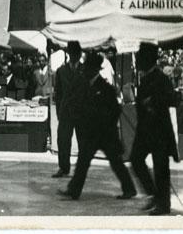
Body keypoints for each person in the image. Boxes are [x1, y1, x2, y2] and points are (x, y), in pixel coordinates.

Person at [58, 52, 136, 201]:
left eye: (88, 69)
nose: (85, 71)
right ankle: (74, 190)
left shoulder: (106, 88)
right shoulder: (85, 85)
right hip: (92, 133)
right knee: (83, 161)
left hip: (106, 134)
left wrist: (106, 123)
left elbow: (115, 110)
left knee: (116, 162)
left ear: (94, 70)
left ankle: (129, 189)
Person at [130, 42, 179, 216]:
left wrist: (153, 102)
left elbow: (173, 99)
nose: (137, 61)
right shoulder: (144, 78)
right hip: (145, 131)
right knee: (136, 159)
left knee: (161, 168)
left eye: (140, 57)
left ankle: (163, 205)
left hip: (159, 131)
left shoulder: (161, 78)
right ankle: (153, 194)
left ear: (147, 60)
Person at [52, 41, 85, 178]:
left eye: (76, 53)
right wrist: (59, 112)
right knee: (63, 140)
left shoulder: (86, 70)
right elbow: (58, 94)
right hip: (65, 112)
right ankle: (63, 167)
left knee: (83, 142)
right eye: (72, 53)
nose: (74, 56)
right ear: (68, 54)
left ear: (80, 54)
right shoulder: (61, 71)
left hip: (81, 112)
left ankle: (82, 170)